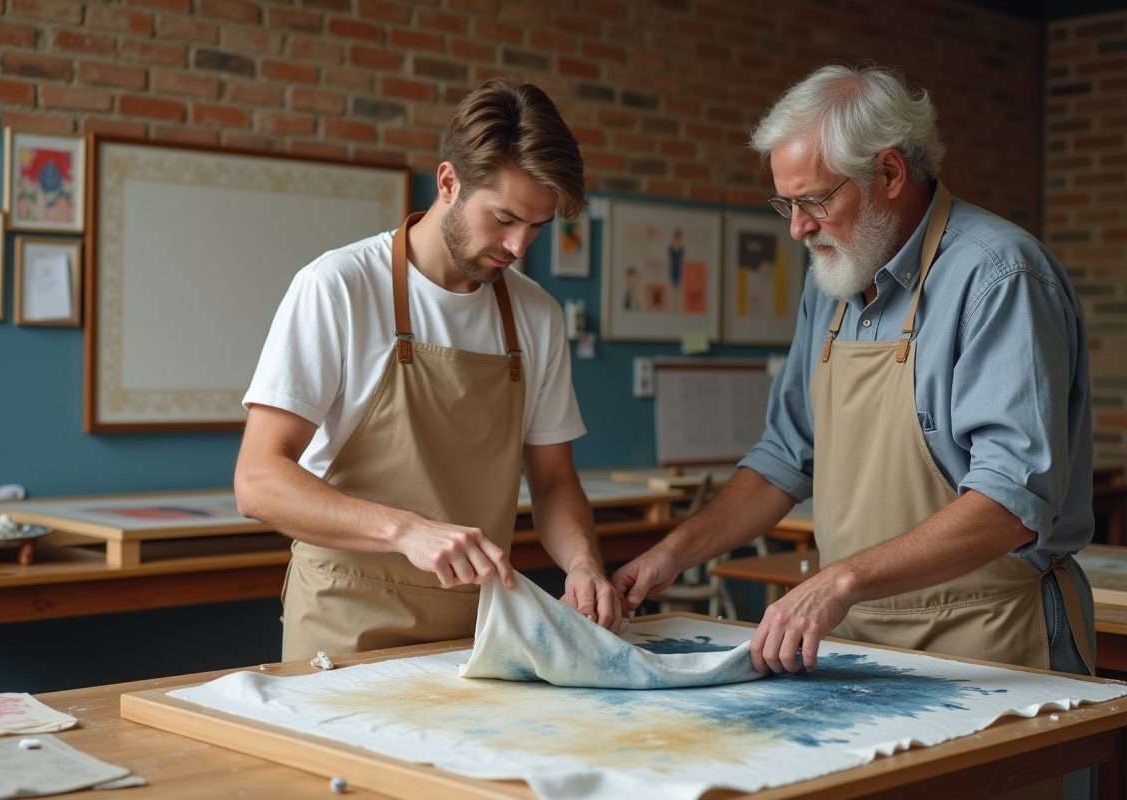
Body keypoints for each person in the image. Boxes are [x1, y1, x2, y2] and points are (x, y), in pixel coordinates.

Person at [614, 64, 1095, 684]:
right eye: (786, 203)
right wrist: (668, 555)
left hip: (989, 639)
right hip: (857, 638)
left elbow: (1012, 503)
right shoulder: (835, 282)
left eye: (815, 200)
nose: (797, 227)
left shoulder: (999, 277)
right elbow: (784, 460)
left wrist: (840, 580)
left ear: (889, 173)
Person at [235, 76, 621, 661]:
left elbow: (552, 481)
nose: (520, 246)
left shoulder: (536, 314)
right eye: (505, 218)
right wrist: (407, 530)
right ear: (449, 182)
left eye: (538, 227)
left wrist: (584, 563)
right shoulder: (337, 287)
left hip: (478, 626)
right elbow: (258, 481)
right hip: (345, 620)